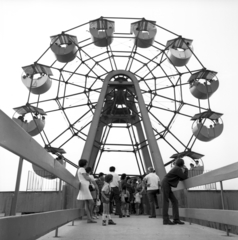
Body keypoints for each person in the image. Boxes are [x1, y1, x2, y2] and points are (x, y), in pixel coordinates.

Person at [161, 158, 188, 225]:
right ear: (182, 164)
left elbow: (181, 177)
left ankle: (176, 219)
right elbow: (184, 177)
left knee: (175, 201)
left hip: (166, 184)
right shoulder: (178, 169)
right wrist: (186, 169)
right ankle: (166, 220)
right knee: (166, 201)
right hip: (166, 184)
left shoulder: (176, 169)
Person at [77, 159, 97, 223]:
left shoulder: (80, 169)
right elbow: (86, 178)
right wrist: (91, 179)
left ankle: (89, 218)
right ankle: (90, 217)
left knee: (87, 203)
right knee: (92, 202)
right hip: (85, 186)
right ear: (85, 163)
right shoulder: (82, 169)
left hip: (84, 186)